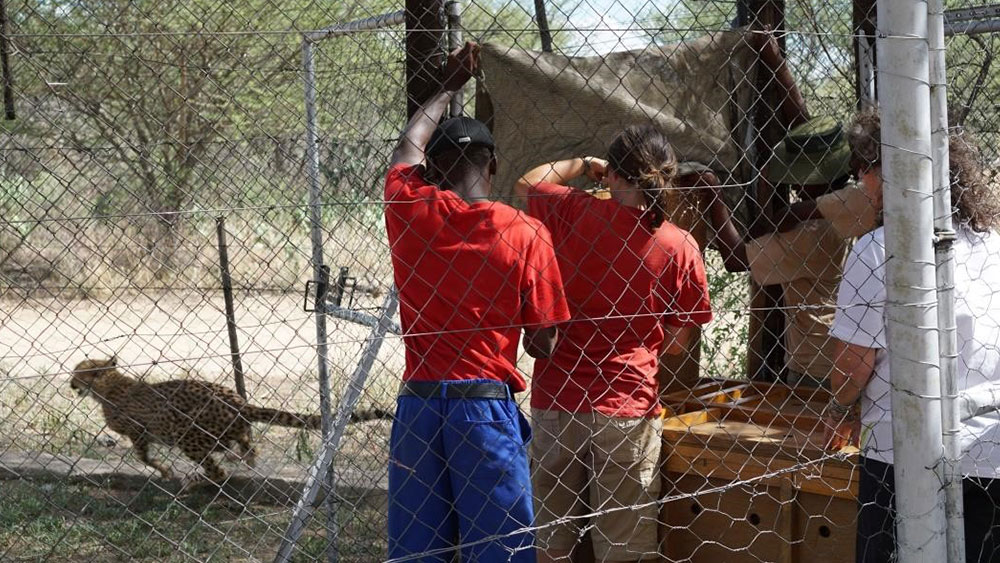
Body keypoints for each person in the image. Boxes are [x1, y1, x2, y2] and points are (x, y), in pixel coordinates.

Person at [384, 41, 571, 562]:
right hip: (483, 409)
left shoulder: (409, 211)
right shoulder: (527, 233)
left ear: (433, 170)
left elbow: (406, 145)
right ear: (491, 167)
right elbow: (544, 343)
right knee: (502, 548)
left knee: (418, 550)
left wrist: (449, 83)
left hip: (418, 405)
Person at [514, 125, 714, 563]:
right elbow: (678, 343)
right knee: (625, 541)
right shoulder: (679, 245)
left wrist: (586, 165)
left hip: (558, 400)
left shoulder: (571, 212)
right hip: (627, 404)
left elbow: (528, 181)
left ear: (613, 176)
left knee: (551, 537)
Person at [824, 107, 1000, 563]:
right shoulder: (992, 245)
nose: (861, 183)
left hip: (900, 455)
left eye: (862, 169)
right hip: (989, 452)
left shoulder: (876, 249)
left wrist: (840, 406)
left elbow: (851, 368)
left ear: (886, 171)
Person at [703, 116, 859, 387]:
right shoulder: (853, 208)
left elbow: (735, 259)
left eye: (802, 177)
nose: (795, 186)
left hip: (814, 367)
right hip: (844, 354)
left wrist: (712, 194)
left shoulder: (811, 233)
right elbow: (774, 225)